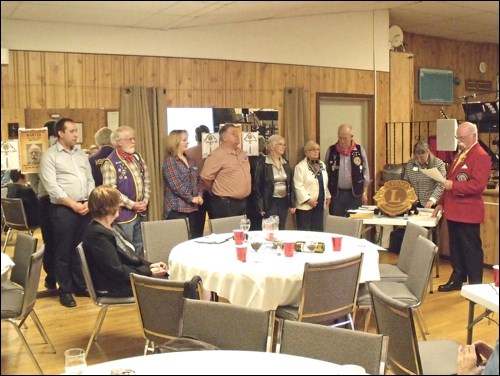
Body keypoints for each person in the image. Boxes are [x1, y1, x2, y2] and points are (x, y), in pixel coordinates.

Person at [39, 117, 95, 307]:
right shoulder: (50, 156)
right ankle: (65, 290)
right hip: (63, 208)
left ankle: (80, 286)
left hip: (84, 207)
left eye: (76, 131)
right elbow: (51, 186)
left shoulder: (81, 155)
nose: (76, 134)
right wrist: (72, 204)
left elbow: (90, 179)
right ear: (60, 134)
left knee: (80, 249)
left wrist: (88, 200)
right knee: (63, 250)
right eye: (71, 131)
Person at [82, 185, 168, 297]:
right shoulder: (97, 235)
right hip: (113, 287)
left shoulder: (112, 226)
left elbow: (130, 256)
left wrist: (150, 266)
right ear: (109, 207)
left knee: (169, 278)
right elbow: (116, 271)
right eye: (117, 203)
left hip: (122, 280)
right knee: (171, 286)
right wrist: (149, 272)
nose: (120, 206)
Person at [435, 122, 491, 292]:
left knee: (471, 249)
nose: (459, 141)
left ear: (473, 136)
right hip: (453, 210)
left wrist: (454, 186)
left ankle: (475, 284)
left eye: (462, 138)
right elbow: (449, 181)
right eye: (457, 137)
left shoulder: (480, 155)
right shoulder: (462, 154)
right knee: (456, 247)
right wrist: (441, 202)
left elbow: (478, 185)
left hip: (468, 211)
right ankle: (458, 277)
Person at [101, 126, 150, 255]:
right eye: (130, 139)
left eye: (134, 138)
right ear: (119, 142)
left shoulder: (137, 157)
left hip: (141, 211)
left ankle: (138, 273)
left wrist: (145, 201)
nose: (133, 142)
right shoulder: (110, 162)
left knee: (139, 248)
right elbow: (111, 191)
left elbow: (146, 180)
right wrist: (132, 204)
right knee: (127, 250)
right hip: (124, 215)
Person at [27, 119, 58, 291]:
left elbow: (32, 177)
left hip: (45, 198)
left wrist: (40, 190)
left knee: (49, 240)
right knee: (64, 240)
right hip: (63, 199)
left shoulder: (37, 149)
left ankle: (51, 278)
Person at [200, 124, 251, 218]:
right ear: (224, 138)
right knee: (227, 232)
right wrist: (215, 190)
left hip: (244, 202)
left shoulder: (241, 152)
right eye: (233, 133)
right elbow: (205, 177)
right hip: (226, 204)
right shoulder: (217, 155)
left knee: (241, 231)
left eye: (237, 133)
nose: (237, 135)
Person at [162, 130, 204, 238]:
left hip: (193, 208)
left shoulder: (189, 159)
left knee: (194, 239)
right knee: (179, 239)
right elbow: (176, 185)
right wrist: (191, 198)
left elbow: (198, 180)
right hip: (177, 209)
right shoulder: (170, 161)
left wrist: (199, 195)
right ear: (175, 142)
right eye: (184, 140)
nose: (188, 142)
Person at [324, 124, 370, 217]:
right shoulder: (331, 150)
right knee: (336, 222)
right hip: (336, 194)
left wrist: (364, 192)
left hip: (354, 194)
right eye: (340, 138)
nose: (341, 141)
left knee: (354, 222)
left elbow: (366, 173)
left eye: (345, 138)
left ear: (351, 137)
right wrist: (327, 193)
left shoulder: (359, 150)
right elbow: (325, 172)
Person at [253, 135, 296, 230]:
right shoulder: (263, 163)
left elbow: (290, 184)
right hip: (270, 202)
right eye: (280, 144)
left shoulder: (285, 163)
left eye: (284, 145)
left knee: (281, 228)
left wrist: (292, 203)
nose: (283, 147)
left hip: (283, 201)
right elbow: (257, 186)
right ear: (272, 146)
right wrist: (260, 206)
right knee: (271, 229)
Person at [294, 140, 331, 232]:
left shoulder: (322, 164)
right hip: (305, 206)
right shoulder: (300, 167)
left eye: (318, 149)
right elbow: (298, 186)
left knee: (318, 231)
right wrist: (308, 200)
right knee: (305, 233)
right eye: (313, 149)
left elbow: (323, 182)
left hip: (319, 205)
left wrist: (328, 195)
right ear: (306, 152)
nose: (316, 151)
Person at [403, 140, 446, 208]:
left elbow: (441, 184)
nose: (419, 160)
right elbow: (406, 182)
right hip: (414, 203)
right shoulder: (410, 163)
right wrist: (410, 196)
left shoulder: (438, 164)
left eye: (422, 157)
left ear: (428, 152)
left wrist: (432, 200)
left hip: (432, 204)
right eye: (416, 157)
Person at [186, 124, 212, 232]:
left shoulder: (189, 152)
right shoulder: (215, 151)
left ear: (196, 137)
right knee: (218, 225)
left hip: (197, 192)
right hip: (212, 190)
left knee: (197, 226)